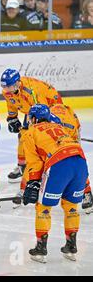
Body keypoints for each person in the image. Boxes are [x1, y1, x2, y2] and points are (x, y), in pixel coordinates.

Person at [22, 104, 88, 263]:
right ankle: (71, 246)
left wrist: (32, 183)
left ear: (34, 118)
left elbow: (34, 163)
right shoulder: (61, 127)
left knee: (43, 207)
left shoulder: (30, 132)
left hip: (59, 164)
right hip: (80, 161)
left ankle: (40, 249)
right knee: (71, 206)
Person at [0, 69, 63, 205]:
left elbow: (41, 111)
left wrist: (33, 127)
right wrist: (12, 118)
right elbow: (11, 103)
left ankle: (44, 166)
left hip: (50, 106)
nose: (6, 90)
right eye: (4, 86)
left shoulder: (32, 91)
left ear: (17, 83)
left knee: (37, 138)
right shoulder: (8, 91)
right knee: (24, 136)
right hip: (32, 109)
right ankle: (22, 165)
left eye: (8, 86)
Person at [49, 104, 92, 214]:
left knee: (77, 161)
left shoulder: (70, 126)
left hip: (72, 132)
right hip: (61, 127)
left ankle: (87, 193)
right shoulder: (47, 121)